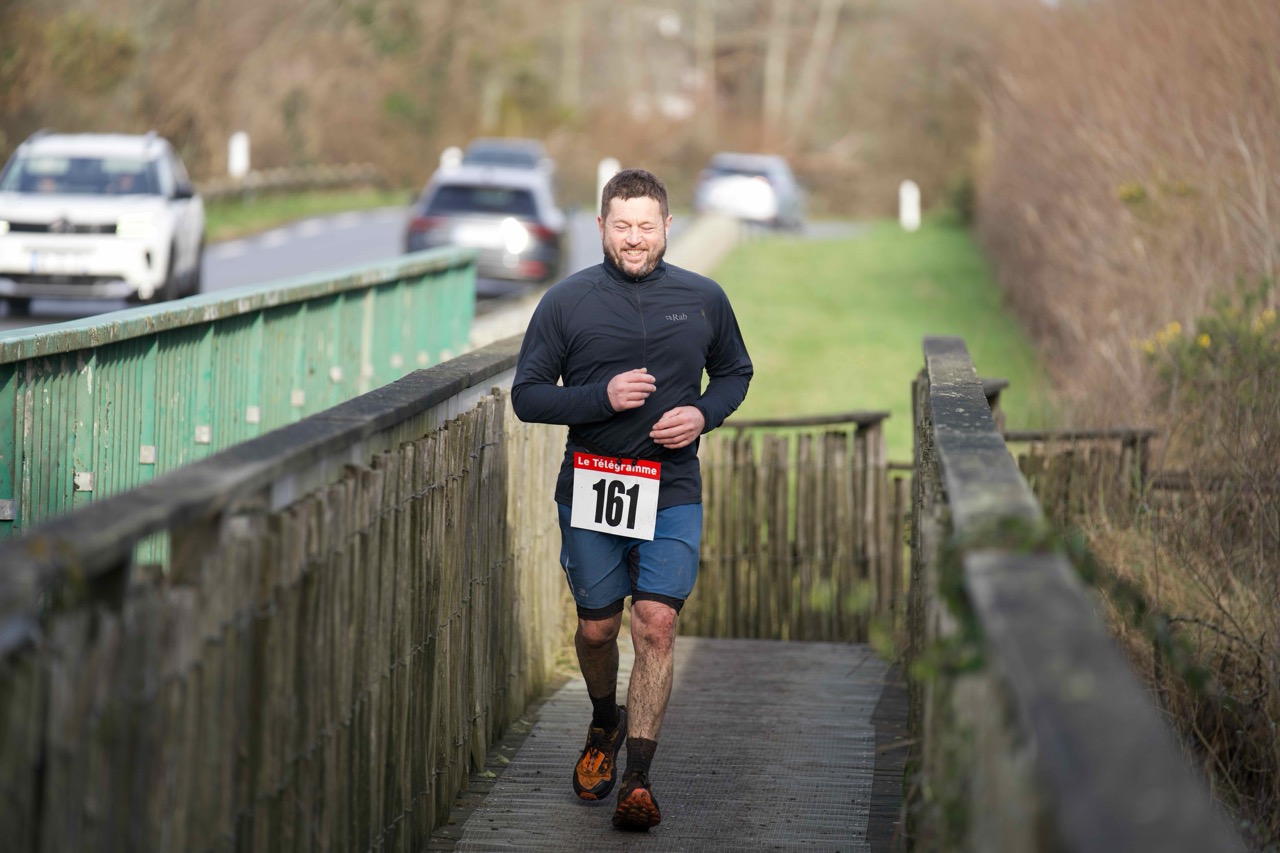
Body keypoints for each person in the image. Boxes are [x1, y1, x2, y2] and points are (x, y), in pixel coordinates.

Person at [511, 168, 752, 831]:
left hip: (671, 486)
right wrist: (602, 396)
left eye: (647, 226)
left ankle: (638, 781)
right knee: (598, 628)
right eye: (622, 226)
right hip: (594, 481)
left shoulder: (704, 298)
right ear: (601, 227)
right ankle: (603, 722)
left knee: (656, 623)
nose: (635, 238)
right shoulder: (566, 302)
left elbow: (735, 371)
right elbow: (528, 395)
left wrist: (703, 414)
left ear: (668, 226)